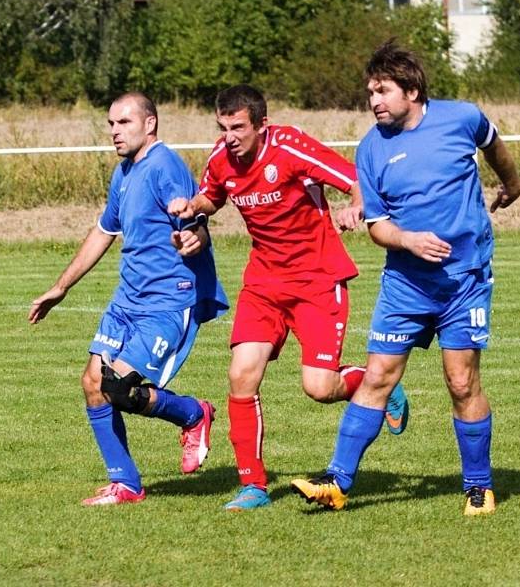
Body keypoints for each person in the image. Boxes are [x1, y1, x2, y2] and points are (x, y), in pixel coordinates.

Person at [290, 40, 520, 516]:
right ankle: (336, 481)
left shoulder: (461, 118)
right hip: (406, 283)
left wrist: (513, 184)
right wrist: (411, 240)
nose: (374, 101)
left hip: (464, 279)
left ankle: (478, 486)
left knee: (461, 382)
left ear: (412, 90)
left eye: (383, 91)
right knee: (376, 376)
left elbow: (493, 142)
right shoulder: (370, 149)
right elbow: (377, 226)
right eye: (370, 93)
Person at [168, 84, 409, 511]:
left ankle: (377, 384)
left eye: (238, 127)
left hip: (317, 279)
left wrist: (355, 205)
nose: (230, 137)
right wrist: (193, 208)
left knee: (318, 388)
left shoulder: (291, 146)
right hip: (263, 284)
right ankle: (254, 487)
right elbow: (213, 195)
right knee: (242, 374)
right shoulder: (221, 157)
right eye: (223, 128)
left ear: (262, 123)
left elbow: (354, 179)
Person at [29, 92, 229, 506]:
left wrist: (196, 237)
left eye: (124, 123)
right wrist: (61, 286)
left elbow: (197, 220)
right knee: (92, 383)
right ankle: (126, 483)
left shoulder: (165, 166)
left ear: (150, 123)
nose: (115, 132)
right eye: (111, 124)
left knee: (117, 387)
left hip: (167, 299)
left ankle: (194, 414)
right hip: (128, 299)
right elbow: (105, 231)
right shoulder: (124, 172)